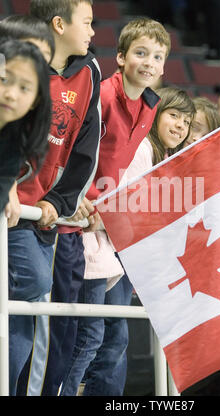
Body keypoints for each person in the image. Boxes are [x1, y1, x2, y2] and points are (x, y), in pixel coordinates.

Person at [61, 86, 195, 396]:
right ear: (157, 115)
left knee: (109, 337)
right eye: (174, 116)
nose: (180, 126)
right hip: (105, 246)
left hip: (120, 250)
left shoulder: (158, 153)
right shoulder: (143, 148)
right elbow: (124, 203)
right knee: (101, 337)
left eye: (186, 122)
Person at [9, 0, 101, 396]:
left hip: (40, 215)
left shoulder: (90, 72)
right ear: (59, 24)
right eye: (88, 22)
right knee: (30, 287)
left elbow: (85, 151)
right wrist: (7, 188)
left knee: (24, 319)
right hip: (10, 210)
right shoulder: (16, 65)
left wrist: (58, 204)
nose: (94, 32)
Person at [0, 39, 51, 218]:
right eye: (4, 79)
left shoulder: (15, 145)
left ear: (35, 101)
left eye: (24, 88)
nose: (11, 95)